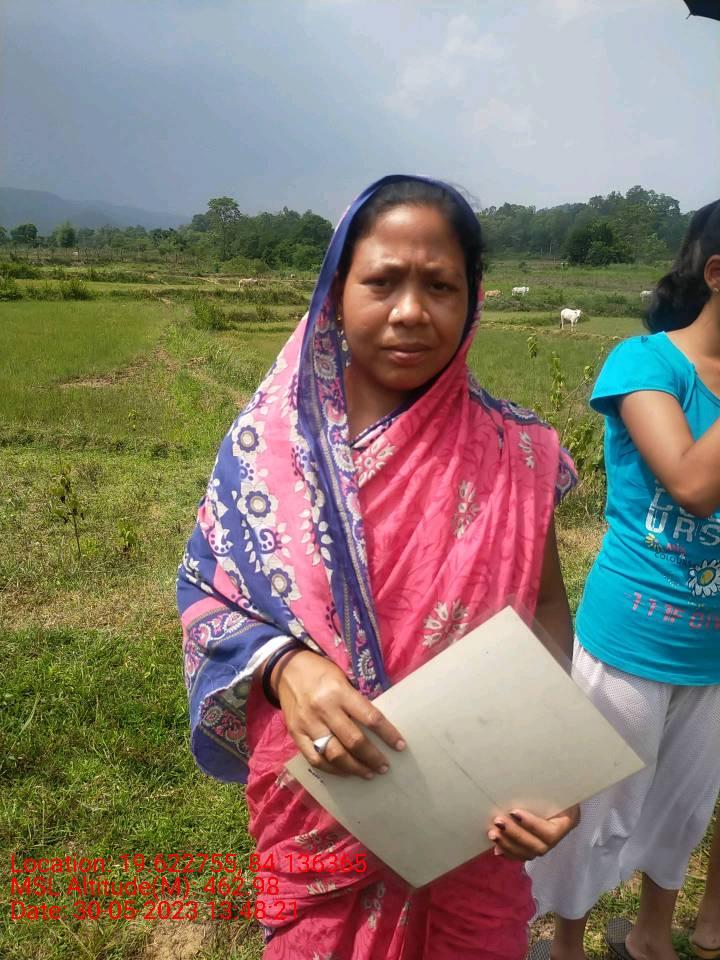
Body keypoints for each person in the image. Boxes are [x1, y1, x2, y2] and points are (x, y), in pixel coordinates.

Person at [177, 174, 579, 960]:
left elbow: (545, 615)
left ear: (473, 298)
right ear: (337, 290)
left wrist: (548, 769)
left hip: (475, 815)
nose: (410, 311)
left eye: (440, 285)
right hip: (324, 805)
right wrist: (284, 667)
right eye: (383, 281)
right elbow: (206, 591)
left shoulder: (516, 452)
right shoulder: (270, 449)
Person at [527, 198, 720, 960]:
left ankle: (649, 938)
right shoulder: (644, 363)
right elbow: (691, 483)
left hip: (712, 650)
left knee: (682, 811)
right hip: (635, 635)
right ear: (717, 273)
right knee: (594, 809)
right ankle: (567, 945)